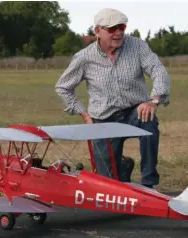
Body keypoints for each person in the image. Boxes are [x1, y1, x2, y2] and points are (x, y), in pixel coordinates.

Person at [54, 8, 170, 188]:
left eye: (121, 27)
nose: (118, 33)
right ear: (98, 31)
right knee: (107, 184)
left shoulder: (138, 46)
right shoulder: (84, 58)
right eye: (112, 29)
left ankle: (149, 184)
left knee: (149, 122)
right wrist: (84, 114)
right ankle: (123, 168)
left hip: (134, 110)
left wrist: (153, 100)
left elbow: (158, 70)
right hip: (102, 119)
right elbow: (63, 87)